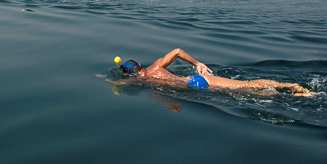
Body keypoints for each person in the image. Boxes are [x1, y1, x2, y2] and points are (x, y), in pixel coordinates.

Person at [114, 48, 313, 96]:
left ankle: (290, 92)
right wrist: (197, 62)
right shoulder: (156, 67)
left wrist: (103, 77)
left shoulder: (141, 82)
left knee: (247, 92)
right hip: (198, 80)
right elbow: (177, 51)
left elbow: (118, 85)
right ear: (140, 65)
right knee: (247, 86)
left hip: (193, 88)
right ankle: (293, 87)